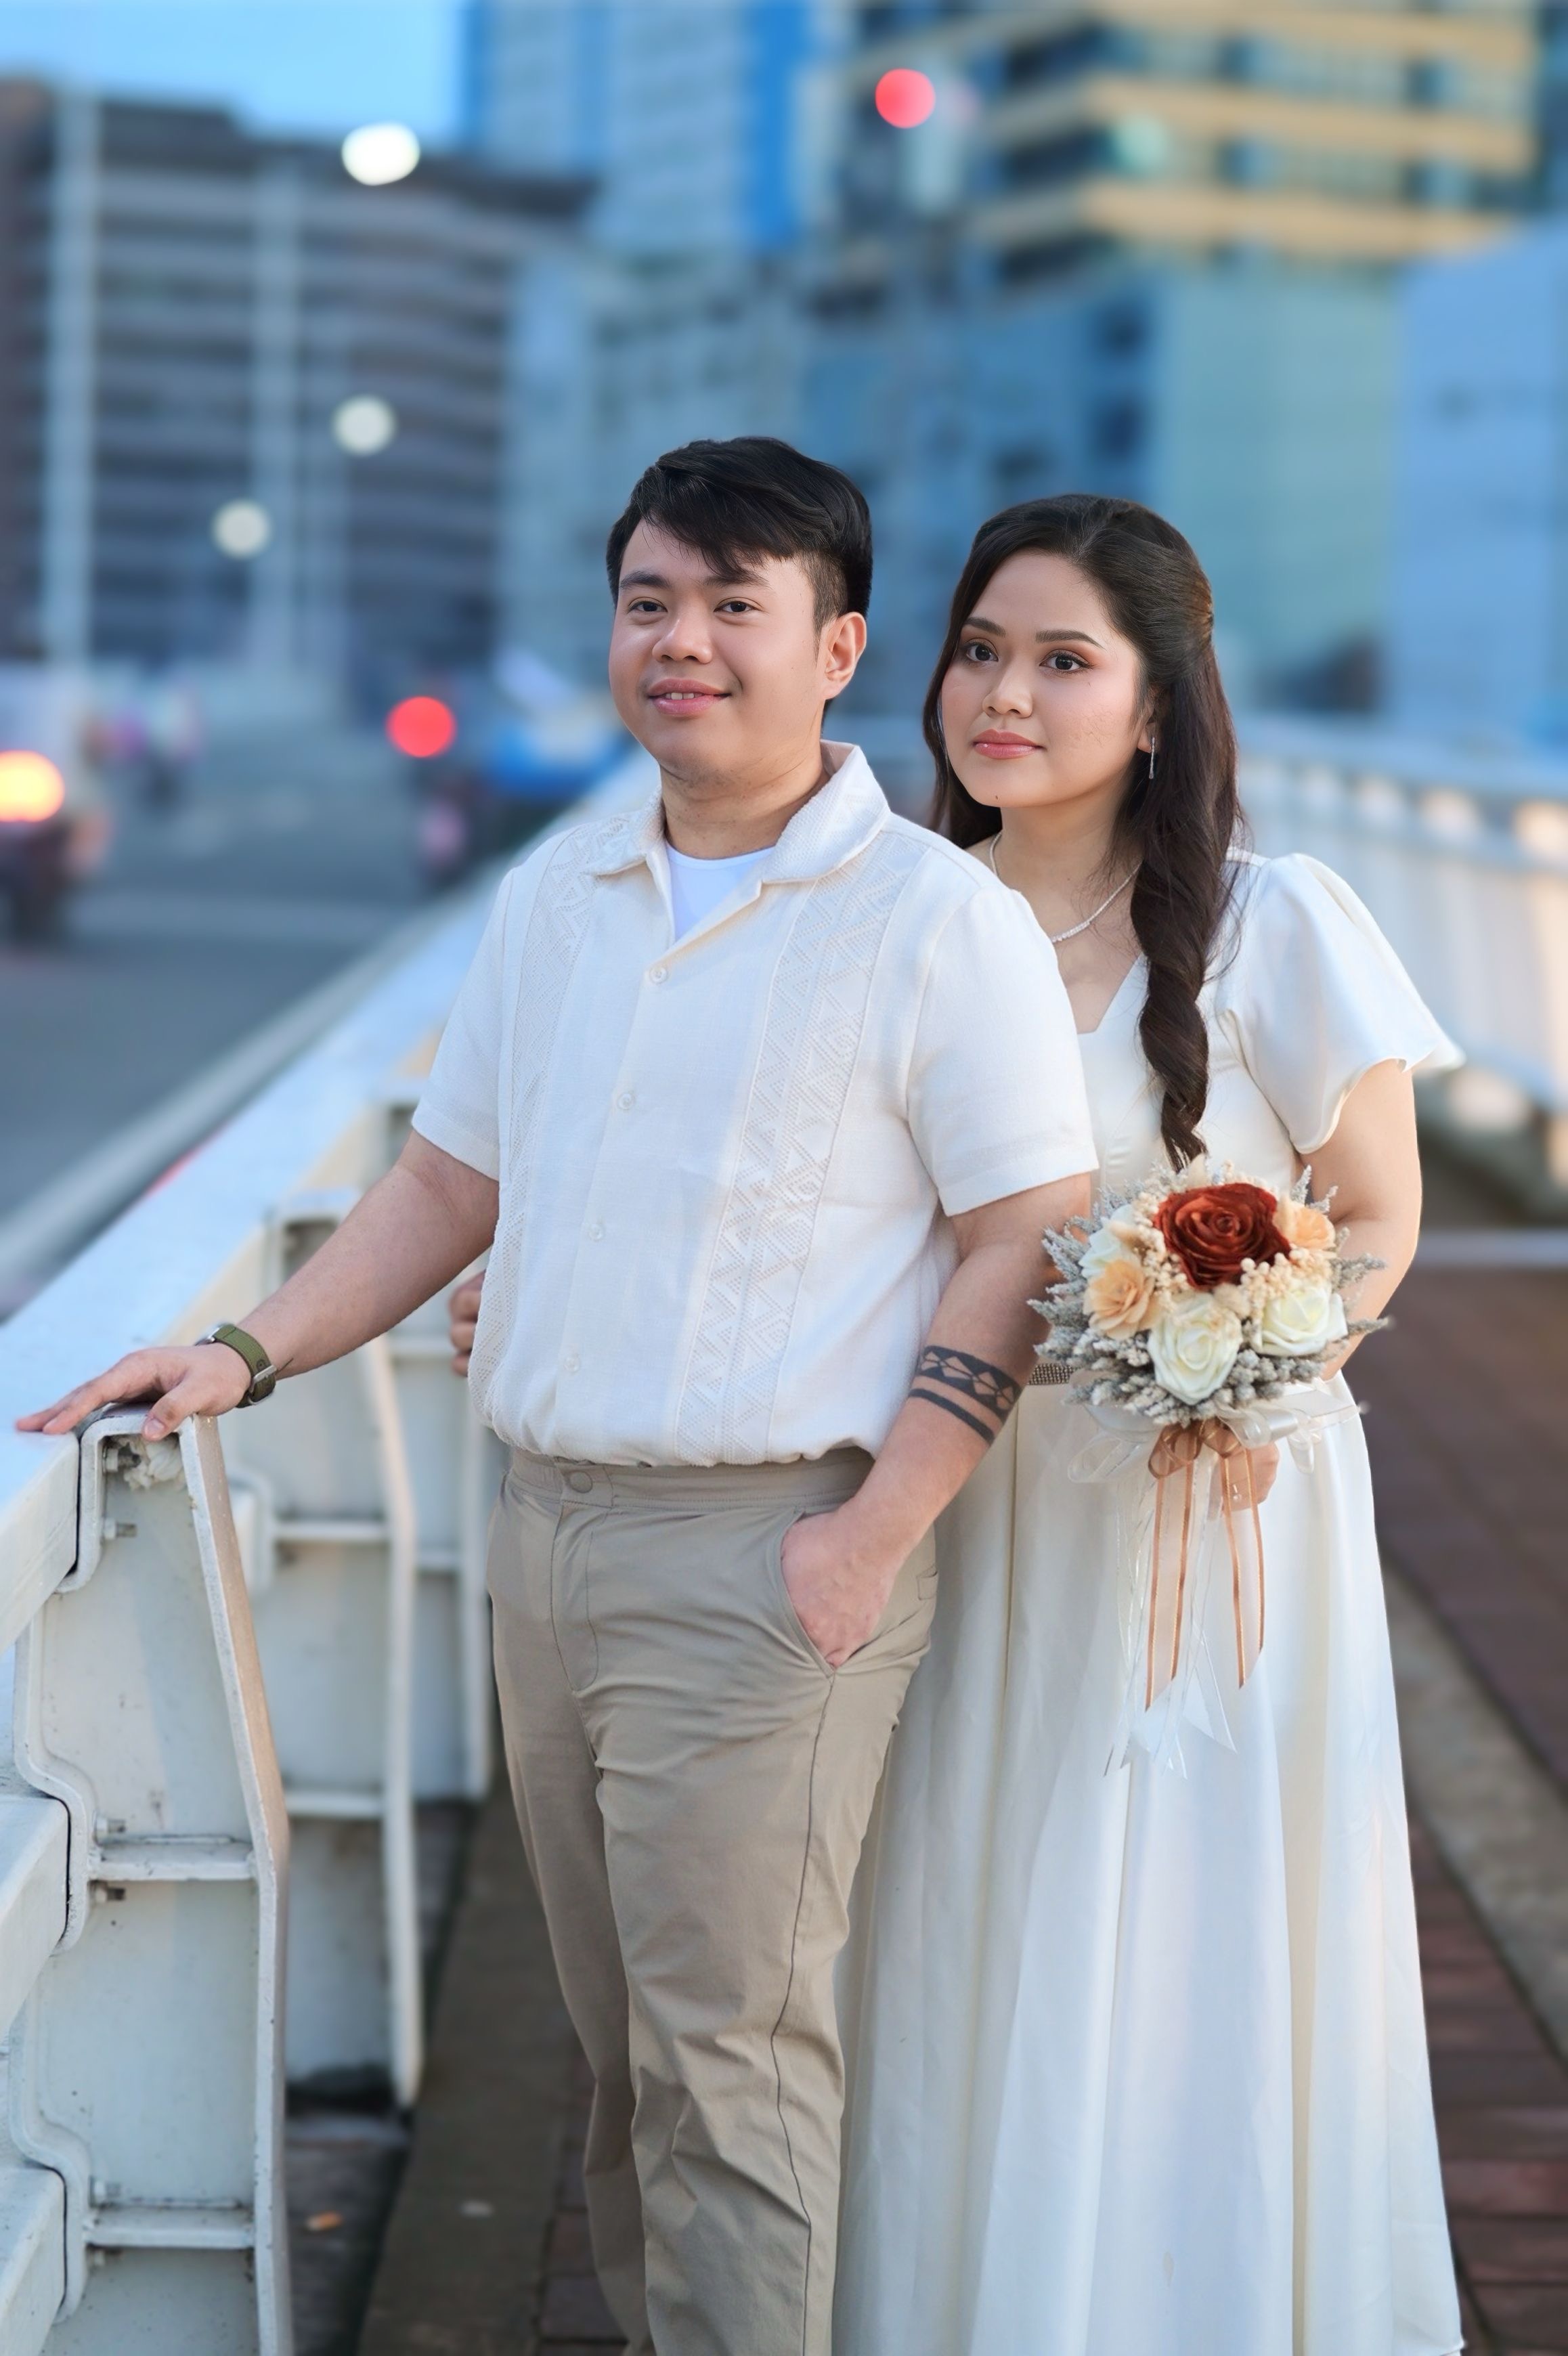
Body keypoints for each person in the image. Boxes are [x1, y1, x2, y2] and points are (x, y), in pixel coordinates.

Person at [20, 439, 1097, 2356]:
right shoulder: (561, 893)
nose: (682, 643)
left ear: (838, 647)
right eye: (647, 603)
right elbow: (449, 1184)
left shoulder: (936, 921)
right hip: (546, 1537)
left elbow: (1027, 1232)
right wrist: (245, 1353)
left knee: (731, 2077)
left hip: (768, 1554)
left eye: (734, 607)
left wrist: (869, 1534)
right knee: (623, 2070)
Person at [831, 494, 1462, 2356]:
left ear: (1161, 703)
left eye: (1062, 660)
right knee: (967, 1894)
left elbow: (1379, 1216)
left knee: (1200, 1912)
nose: (1003, 696)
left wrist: (1250, 1367)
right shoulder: (890, 918)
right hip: (967, 1490)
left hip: (1220, 1501)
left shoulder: (1277, 920)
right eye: (978, 650)